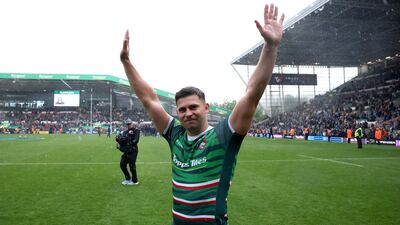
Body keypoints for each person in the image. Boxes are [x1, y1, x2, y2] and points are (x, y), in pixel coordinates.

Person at [120, 3, 284, 224]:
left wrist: (270, 47)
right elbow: (149, 100)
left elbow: (251, 94)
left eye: (193, 107)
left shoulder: (223, 136)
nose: (188, 113)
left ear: (206, 108)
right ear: (177, 113)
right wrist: (127, 63)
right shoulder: (175, 135)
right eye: (182, 110)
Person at [115, 119, 140, 185]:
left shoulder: (136, 131)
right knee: (122, 164)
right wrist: (119, 140)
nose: (128, 125)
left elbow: (135, 141)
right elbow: (121, 140)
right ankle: (128, 178)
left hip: (133, 151)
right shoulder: (125, 132)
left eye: (129, 124)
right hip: (126, 151)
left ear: (132, 123)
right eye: (127, 124)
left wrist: (126, 140)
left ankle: (135, 181)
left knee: (132, 166)